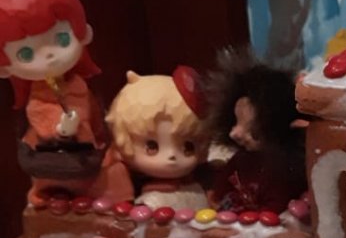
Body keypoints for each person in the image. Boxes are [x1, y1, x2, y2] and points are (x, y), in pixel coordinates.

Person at [0, 0, 107, 201]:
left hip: (87, 160)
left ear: (84, 32)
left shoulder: (78, 84)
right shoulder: (39, 95)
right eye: (27, 54)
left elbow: (95, 120)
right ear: (4, 68)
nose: (49, 55)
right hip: (54, 162)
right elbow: (41, 119)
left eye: (62, 39)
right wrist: (62, 129)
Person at [204, 46, 307, 213]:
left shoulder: (281, 171)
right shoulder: (240, 159)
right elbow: (221, 185)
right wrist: (216, 195)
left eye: (254, 134)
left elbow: (276, 206)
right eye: (235, 122)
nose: (235, 134)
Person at [105, 68, 209, 210]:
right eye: (152, 146)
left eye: (188, 147)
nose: (172, 156)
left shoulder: (196, 185)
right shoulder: (126, 186)